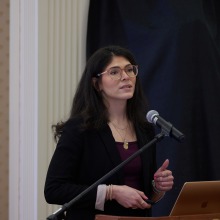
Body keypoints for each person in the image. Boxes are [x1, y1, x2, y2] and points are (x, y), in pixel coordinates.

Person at [44, 45, 174, 220]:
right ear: (96, 83)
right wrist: (111, 192)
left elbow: (143, 196)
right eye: (114, 72)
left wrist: (158, 188)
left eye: (130, 70)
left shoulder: (144, 129)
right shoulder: (80, 129)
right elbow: (54, 189)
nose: (125, 77)